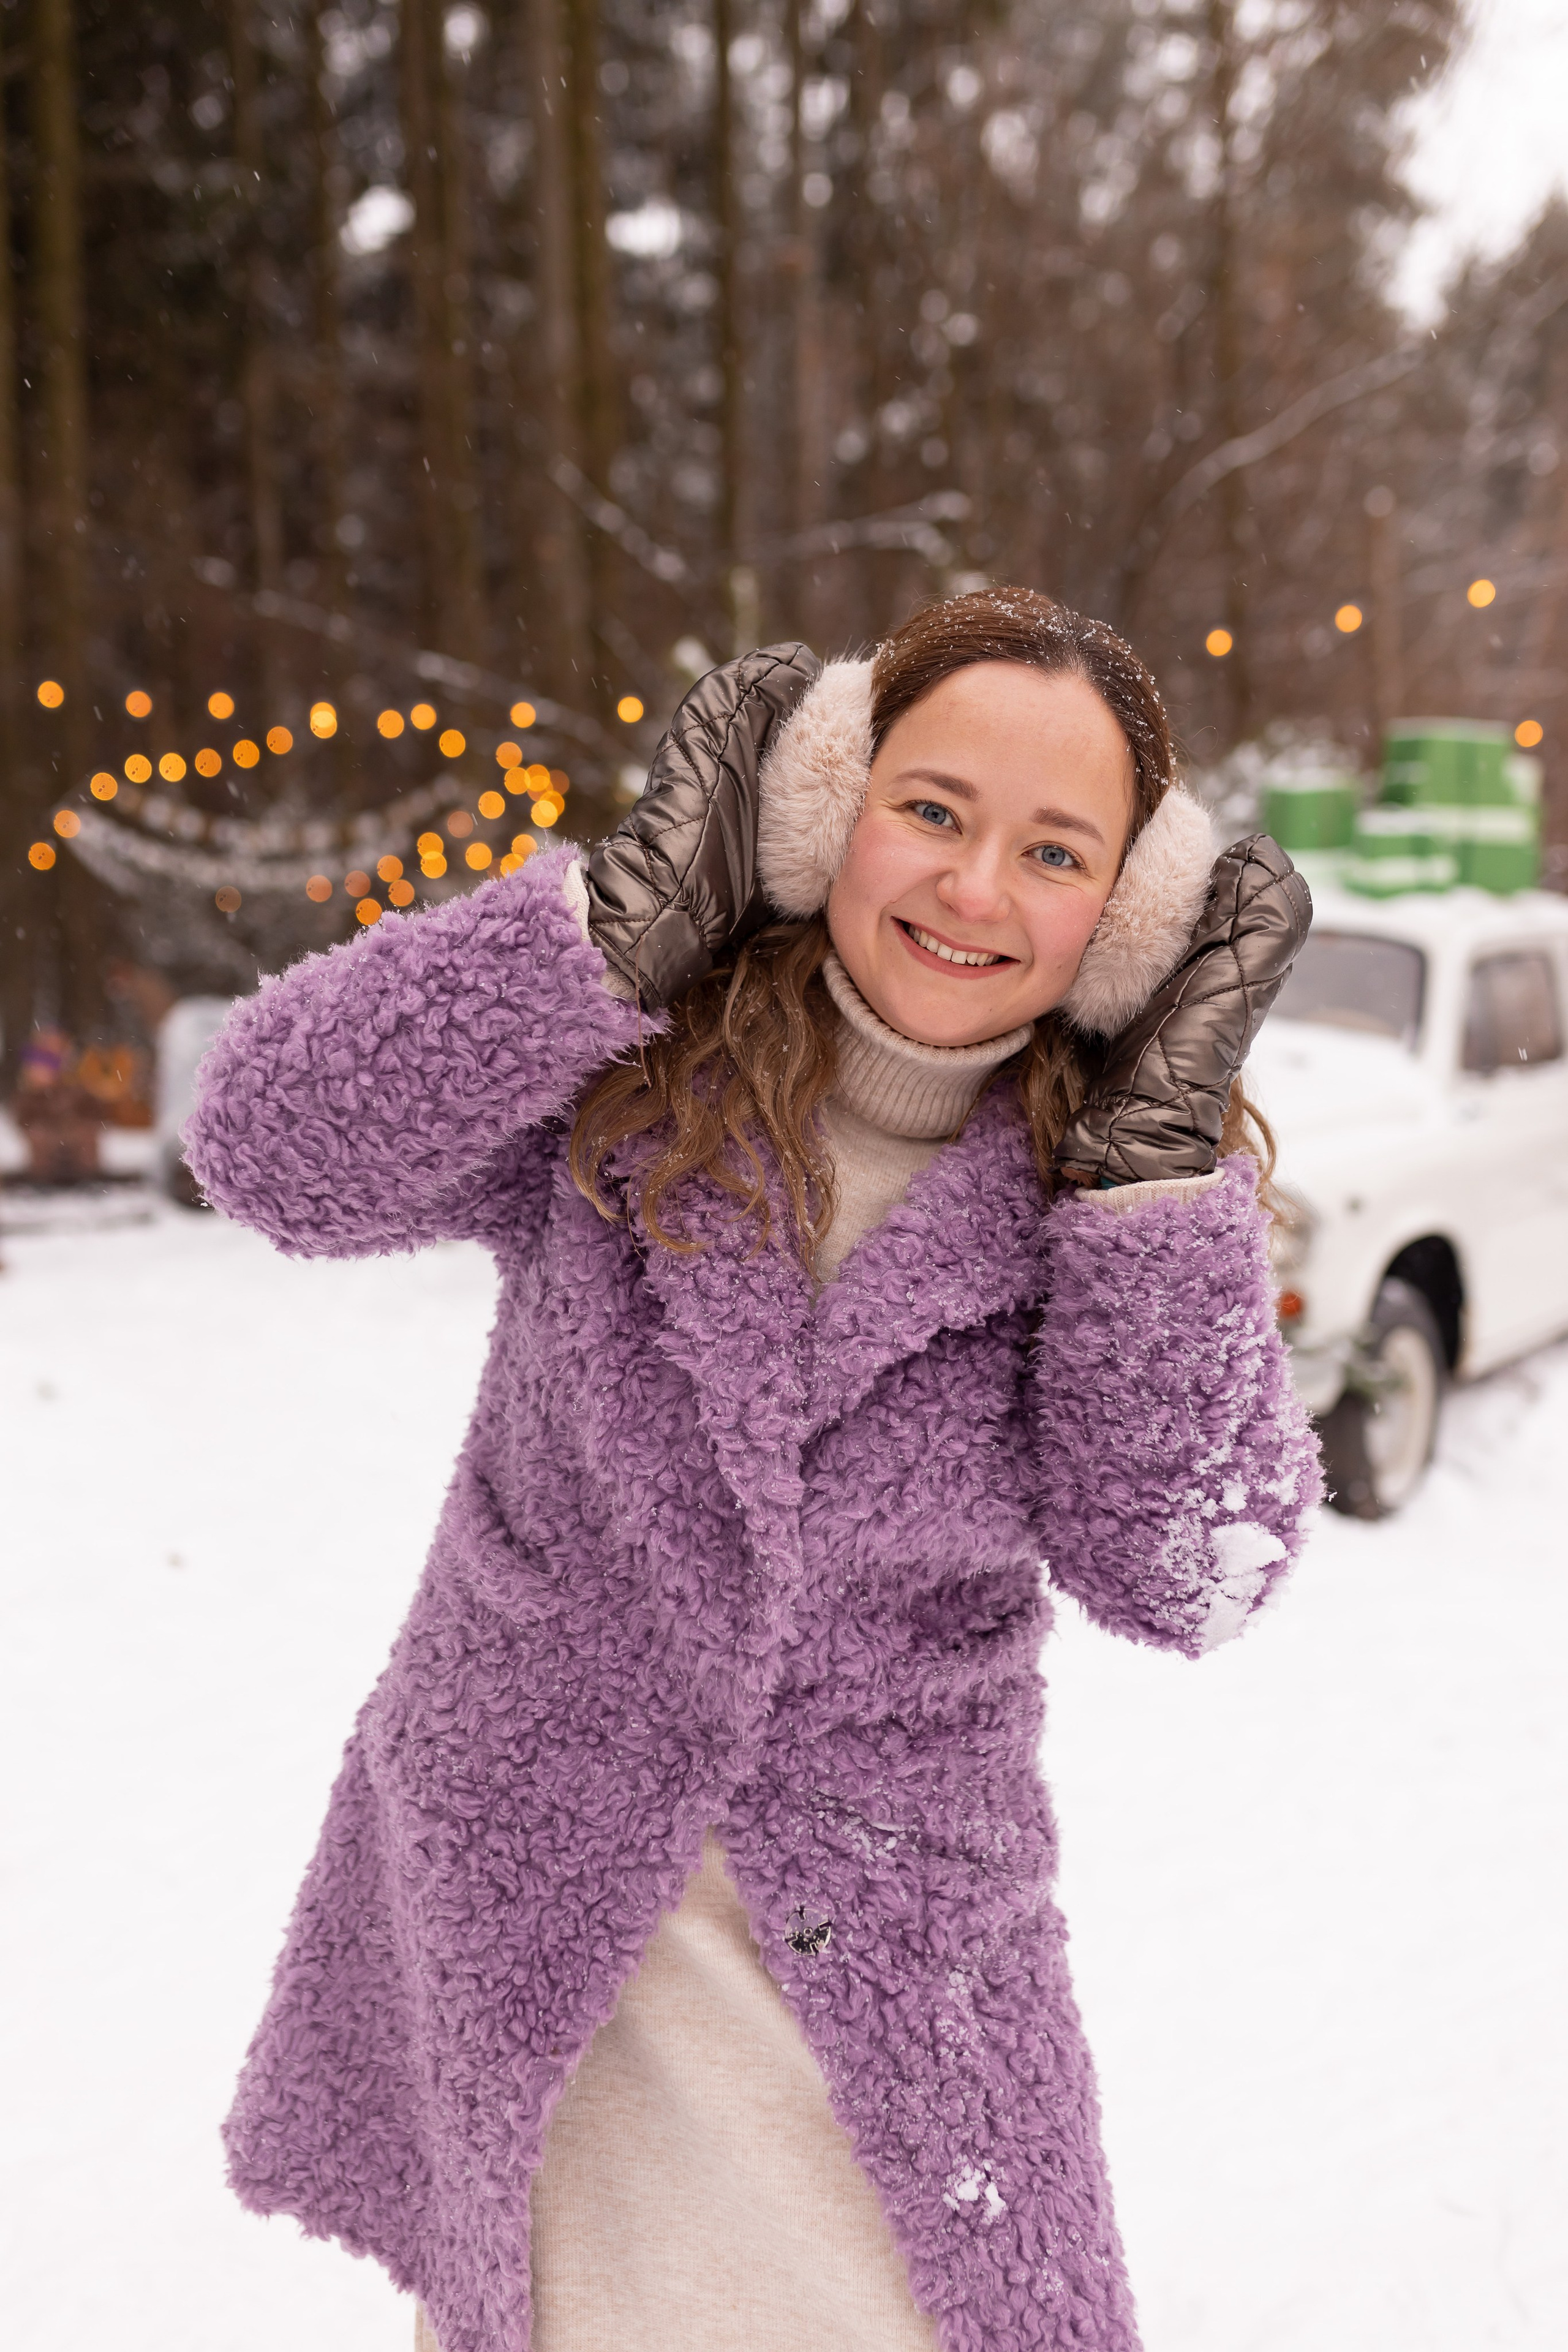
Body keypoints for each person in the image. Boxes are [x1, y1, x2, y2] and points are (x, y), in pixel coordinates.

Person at [185, 589, 1319, 2352]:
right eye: (930, 811)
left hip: (886, 1992)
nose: (971, 890)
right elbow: (267, 1146)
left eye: (1053, 851)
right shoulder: (630, 1077)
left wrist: (1156, 1188)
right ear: (817, 810)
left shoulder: (1105, 1206)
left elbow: (1193, 1565)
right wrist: (599, 936)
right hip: (541, 1947)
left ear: (1132, 918)